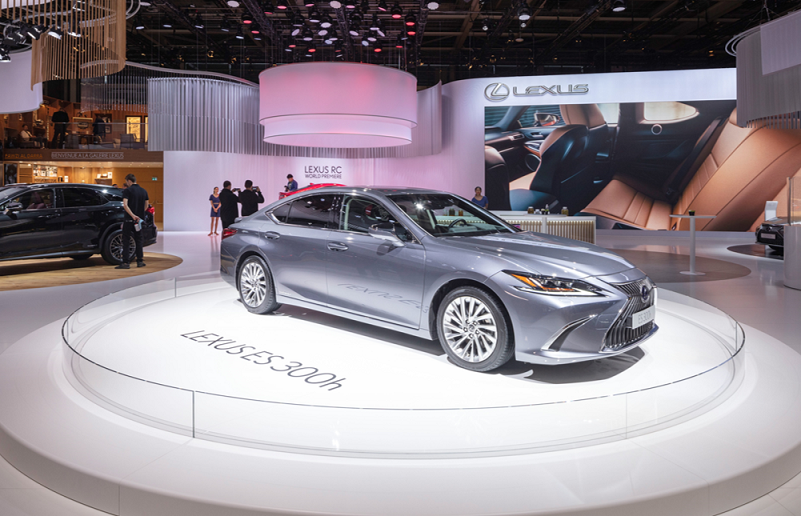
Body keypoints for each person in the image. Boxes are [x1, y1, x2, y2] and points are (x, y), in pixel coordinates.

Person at [117, 174, 149, 270]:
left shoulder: (127, 191)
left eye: (126, 182)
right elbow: (146, 205)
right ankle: (140, 261)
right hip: (138, 221)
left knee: (126, 240)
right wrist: (139, 215)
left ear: (129, 181)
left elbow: (125, 205)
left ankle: (125, 262)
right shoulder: (144, 191)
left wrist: (133, 215)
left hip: (129, 220)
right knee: (139, 239)